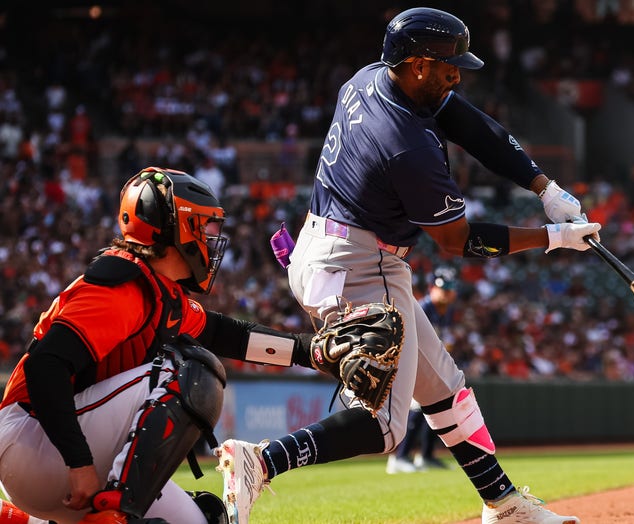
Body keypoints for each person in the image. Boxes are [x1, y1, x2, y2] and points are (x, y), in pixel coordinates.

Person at [216, 7, 599, 524]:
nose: (457, 75)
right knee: (384, 427)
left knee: (444, 386)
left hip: (325, 248)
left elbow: (471, 124)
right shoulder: (405, 144)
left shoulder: (372, 77)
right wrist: (553, 238)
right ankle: (260, 462)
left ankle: (505, 505)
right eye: (447, 66)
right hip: (362, 265)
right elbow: (455, 241)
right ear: (417, 65)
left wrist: (543, 187)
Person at [0, 167, 319, 524]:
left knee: (205, 519)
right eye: (201, 226)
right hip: (32, 439)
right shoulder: (122, 286)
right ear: (174, 228)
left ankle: (22, 520)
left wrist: (314, 351)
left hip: (50, 449)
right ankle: (117, 514)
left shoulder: (157, 289)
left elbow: (226, 334)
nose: (209, 241)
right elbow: (44, 367)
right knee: (193, 372)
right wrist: (79, 463)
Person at [386, 266, 458, 474]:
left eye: (450, 289)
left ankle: (426, 456)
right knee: (417, 409)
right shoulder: (423, 307)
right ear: (431, 288)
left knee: (437, 407)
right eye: (443, 288)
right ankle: (399, 457)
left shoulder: (445, 311)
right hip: (411, 361)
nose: (447, 293)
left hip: (428, 364)